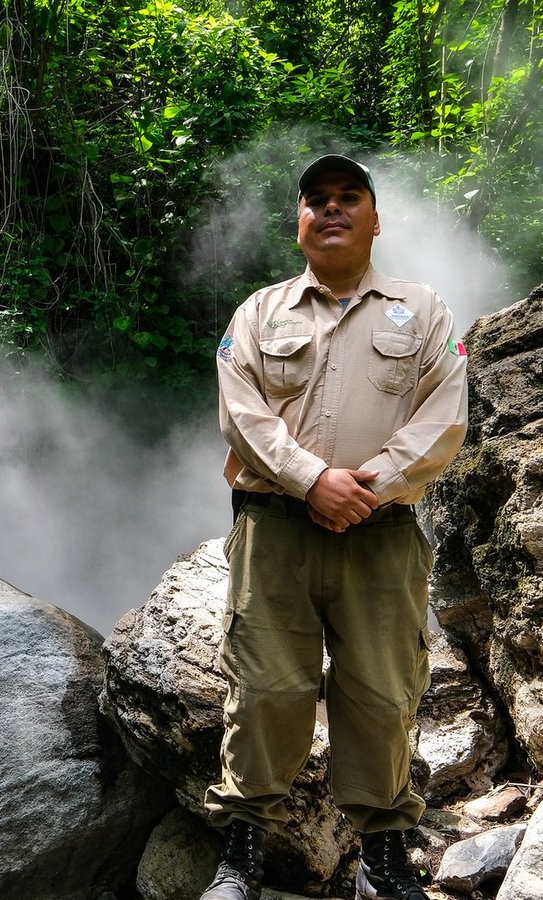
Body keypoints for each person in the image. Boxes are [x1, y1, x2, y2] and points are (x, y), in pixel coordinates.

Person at [201, 155, 469, 900]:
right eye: (316, 200)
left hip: (380, 536)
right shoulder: (259, 314)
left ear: (375, 219)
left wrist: (365, 488)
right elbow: (241, 415)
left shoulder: (423, 312)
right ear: (299, 223)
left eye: (349, 197)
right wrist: (311, 480)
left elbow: (444, 419)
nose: (332, 209)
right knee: (262, 692)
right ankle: (243, 851)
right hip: (275, 531)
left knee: (384, 696)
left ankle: (382, 861)